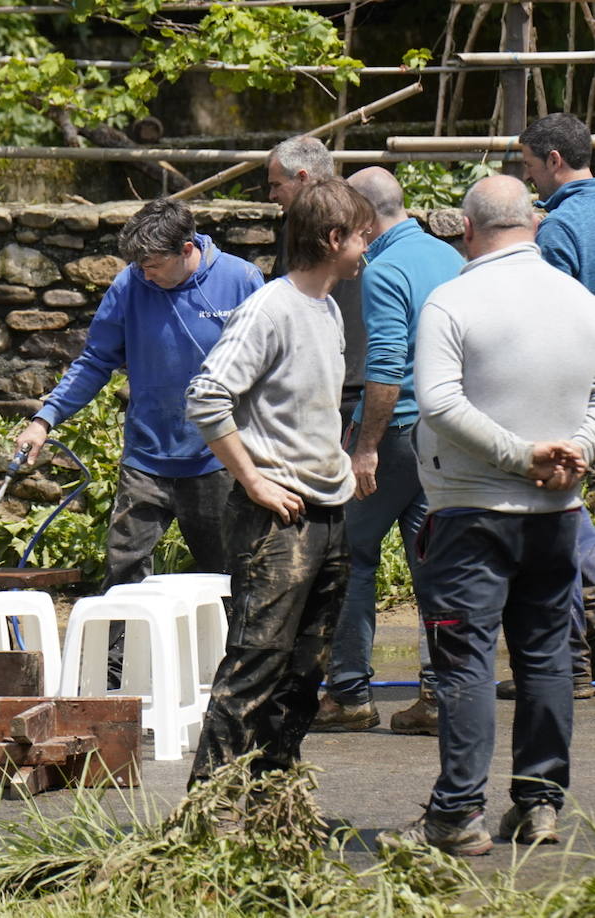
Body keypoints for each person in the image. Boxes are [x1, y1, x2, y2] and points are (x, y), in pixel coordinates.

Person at [380, 175, 595, 856]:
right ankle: (540, 806)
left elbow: (439, 403)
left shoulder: (453, 299)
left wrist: (519, 453)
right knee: (545, 656)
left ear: (467, 231)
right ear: (532, 223)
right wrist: (573, 452)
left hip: (470, 509)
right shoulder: (580, 300)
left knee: (466, 662)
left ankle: (457, 814)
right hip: (557, 506)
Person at [14, 198, 264, 682]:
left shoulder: (242, 280)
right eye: (139, 266)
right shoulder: (131, 284)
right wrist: (44, 419)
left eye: (153, 265)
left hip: (217, 459)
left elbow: (270, 369)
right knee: (123, 572)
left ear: (187, 248)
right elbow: (93, 362)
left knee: (228, 577)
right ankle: (112, 683)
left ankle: (240, 682)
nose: (145, 276)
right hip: (147, 457)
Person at [184, 179, 371, 791]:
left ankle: (272, 802)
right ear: (334, 238)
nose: (368, 244)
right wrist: (255, 482)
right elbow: (207, 397)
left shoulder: (328, 309)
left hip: (326, 511)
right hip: (277, 519)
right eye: (362, 233)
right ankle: (207, 814)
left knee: (302, 672)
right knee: (255, 663)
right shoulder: (270, 307)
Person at [312, 167, 464, 735]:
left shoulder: (384, 270)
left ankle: (349, 693)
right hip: (443, 437)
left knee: (352, 559)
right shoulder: (449, 258)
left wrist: (366, 448)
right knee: (433, 565)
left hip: (394, 434)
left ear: (365, 219)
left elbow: (384, 371)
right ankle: (438, 693)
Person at [516, 111, 595, 702]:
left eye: (527, 166)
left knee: (561, 516)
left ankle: (569, 664)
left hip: (577, 392)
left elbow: (548, 320)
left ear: (554, 162)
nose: (529, 179)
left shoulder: (559, 231)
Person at [267, 135, 367, 429]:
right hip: (359, 383)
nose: (271, 196)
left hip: (319, 385)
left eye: (276, 185)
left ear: (302, 177)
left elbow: (290, 301)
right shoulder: (363, 210)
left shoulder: (301, 225)